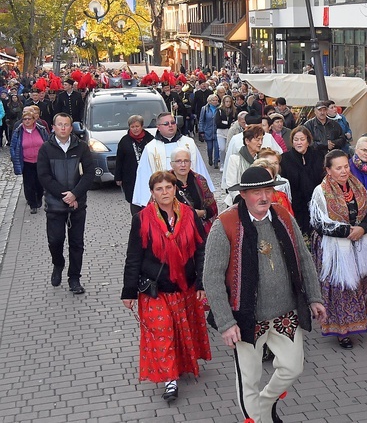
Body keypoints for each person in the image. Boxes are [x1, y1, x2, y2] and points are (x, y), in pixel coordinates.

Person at [202, 167, 326, 423]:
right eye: (257, 191)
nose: (264, 197)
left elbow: (304, 258)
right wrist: (226, 323)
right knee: (249, 378)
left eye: (268, 190)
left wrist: (314, 297)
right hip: (246, 318)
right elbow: (211, 278)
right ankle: (258, 419)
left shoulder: (282, 215)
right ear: (244, 194)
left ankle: (266, 401)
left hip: (285, 312)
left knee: (293, 367)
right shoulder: (224, 224)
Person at [121, 171, 211, 403]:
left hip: (184, 285)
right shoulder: (141, 219)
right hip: (155, 288)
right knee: (163, 332)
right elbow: (133, 256)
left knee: (180, 330)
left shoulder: (189, 215)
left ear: (175, 190)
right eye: (159, 189)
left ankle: (179, 367)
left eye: (168, 188)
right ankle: (170, 381)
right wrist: (128, 291)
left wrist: (202, 282)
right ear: (152, 193)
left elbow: (201, 250)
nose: (164, 193)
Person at [310, 150, 367, 349]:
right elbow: (318, 222)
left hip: (357, 245)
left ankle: (357, 321)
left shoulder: (357, 186)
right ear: (328, 170)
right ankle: (341, 331)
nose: (344, 171)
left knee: (357, 284)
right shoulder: (320, 191)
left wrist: (362, 228)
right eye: (338, 168)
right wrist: (349, 231)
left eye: (346, 166)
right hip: (335, 248)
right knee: (340, 289)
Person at [36, 112, 96, 294]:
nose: (63, 128)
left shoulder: (82, 148)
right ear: (53, 127)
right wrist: (65, 195)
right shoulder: (46, 149)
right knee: (56, 240)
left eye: (66, 125)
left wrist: (75, 195)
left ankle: (74, 278)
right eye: (59, 125)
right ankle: (58, 263)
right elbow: (44, 176)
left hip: (78, 204)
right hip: (55, 204)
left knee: (76, 243)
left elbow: (89, 174)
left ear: (71, 127)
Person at [133, 112, 213, 207]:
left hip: (189, 190)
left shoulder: (189, 143)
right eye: (166, 124)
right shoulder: (150, 148)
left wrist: (204, 191)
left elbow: (199, 168)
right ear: (158, 127)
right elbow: (145, 175)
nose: (170, 126)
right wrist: (146, 199)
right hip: (164, 192)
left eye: (173, 122)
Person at [280, 126, 326, 236]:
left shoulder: (318, 156)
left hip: (316, 202)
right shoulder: (285, 159)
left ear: (308, 140)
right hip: (296, 204)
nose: (299, 143)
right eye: (296, 140)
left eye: (302, 139)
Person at [169, 147, 218, 233]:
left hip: (198, 231)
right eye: (178, 161)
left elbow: (212, 207)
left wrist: (202, 213)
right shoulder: (164, 183)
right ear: (171, 164)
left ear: (190, 163)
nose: (183, 164)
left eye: (186, 161)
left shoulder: (200, 180)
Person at [10, 108, 49, 214]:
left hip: (40, 161)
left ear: (33, 120)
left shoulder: (41, 129)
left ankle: (39, 198)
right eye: (24, 119)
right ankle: (32, 204)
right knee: (29, 184)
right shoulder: (18, 131)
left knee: (40, 183)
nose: (27, 121)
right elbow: (13, 147)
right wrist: (15, 159)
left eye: (29, 119)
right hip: (26, 162)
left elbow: (48, 142)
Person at [115, 115, 155, 215]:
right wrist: (118, 177)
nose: (135, 129)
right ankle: (137, 220)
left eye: (137, 126)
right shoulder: (124, 141)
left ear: (142, 126)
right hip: (130, 176)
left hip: (147, 175)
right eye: (132, 127)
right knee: (134, 200)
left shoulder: (150, 139)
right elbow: (119, 159)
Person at [223, 125, 264, 206]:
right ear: (247, 141)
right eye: (257, 139)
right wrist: (241, 199)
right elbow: (231, 184)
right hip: (239, 201)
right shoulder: (235, 159)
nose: (260, 143)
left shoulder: (262, 159)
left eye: (262, 139)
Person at [198, 94, 220, 168]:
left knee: (217, 147)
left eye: (216, 100)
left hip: (217, 130)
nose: (215, 102)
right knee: (210, 147)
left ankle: (216, 162)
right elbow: (201, 120)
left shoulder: (219, 108)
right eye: (213, 100)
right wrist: (201, 131)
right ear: (210, 101)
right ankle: (210, 158)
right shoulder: (204, 109)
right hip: (208, 130)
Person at [216, 94, 237, 170]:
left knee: (229, 149)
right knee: (222, 148)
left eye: (229, 101)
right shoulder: (219, 110)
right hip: (221, 132)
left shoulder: (234, 111)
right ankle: (222, 163)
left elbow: (235, 122)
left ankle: (228, 164)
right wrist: (228, 124)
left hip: (230, 132)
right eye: (226, 101)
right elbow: (218, 123)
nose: (228, 103)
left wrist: (226, 123)